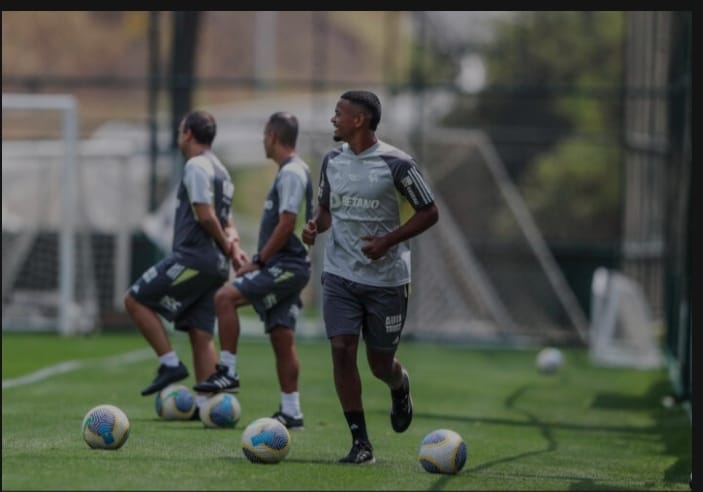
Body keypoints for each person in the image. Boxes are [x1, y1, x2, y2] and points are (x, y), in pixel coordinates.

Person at [302, 90, 439, 464]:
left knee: (380, 365)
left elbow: (430, 212)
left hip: (387, 281)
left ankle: (400, 385)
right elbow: (327, 211)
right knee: (342, 351)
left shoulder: (398, 164)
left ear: (359, 120)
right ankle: (361, 443)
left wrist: (387, 241)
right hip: (340, 275)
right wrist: (315, 226)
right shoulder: (331, 161)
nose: (333, 120)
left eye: (339, 113)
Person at [194, 111, 313, 430]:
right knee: (282, 336)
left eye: (264, 135)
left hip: (287, 266)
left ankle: (228, 371)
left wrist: (258, 260)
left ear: (273, 136)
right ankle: (292, 411)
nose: (263, 140)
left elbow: (288, 223)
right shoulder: (289, 172)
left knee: (225, 298)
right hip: (287, 266)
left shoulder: (292, 173)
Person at [124, 110, 247, 416]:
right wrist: (233, 249)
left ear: (188, 134)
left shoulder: (196, 165)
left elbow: (206, 216)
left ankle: (169, 365)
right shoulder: (223, 171)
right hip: (216, 265)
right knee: (200, 331)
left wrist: (226, 248)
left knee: (135, 300)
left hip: (194, 257)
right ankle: (208, 404)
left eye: (180, 131)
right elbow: (228, 220)